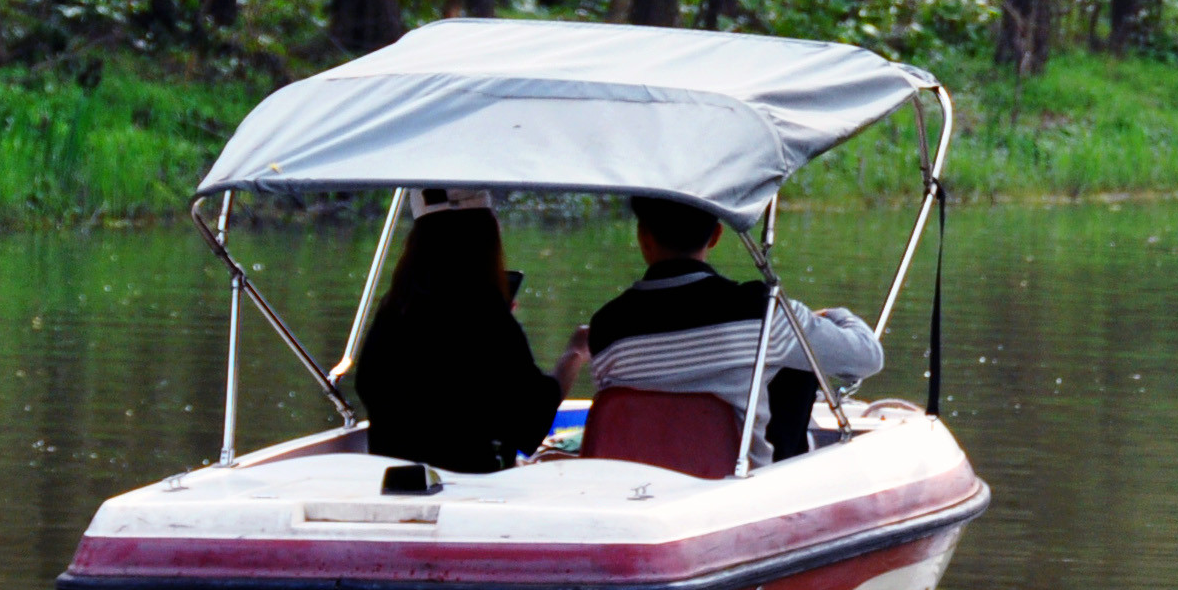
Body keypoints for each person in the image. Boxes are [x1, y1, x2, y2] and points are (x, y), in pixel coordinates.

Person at [572, 196, 885, 464]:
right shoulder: (763, 312)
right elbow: (868, 357)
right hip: (733, 492)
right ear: (716, 236)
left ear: (643, 237)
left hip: (641, 486)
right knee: (796, 364)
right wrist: (833, 315)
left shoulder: (607, 327)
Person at [351, 189, 580, 474]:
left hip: (398, 486)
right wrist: (573, 355)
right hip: (470, 488)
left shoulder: (391, 315)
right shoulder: (488, 318)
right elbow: (531, 419)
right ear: (484, 237)